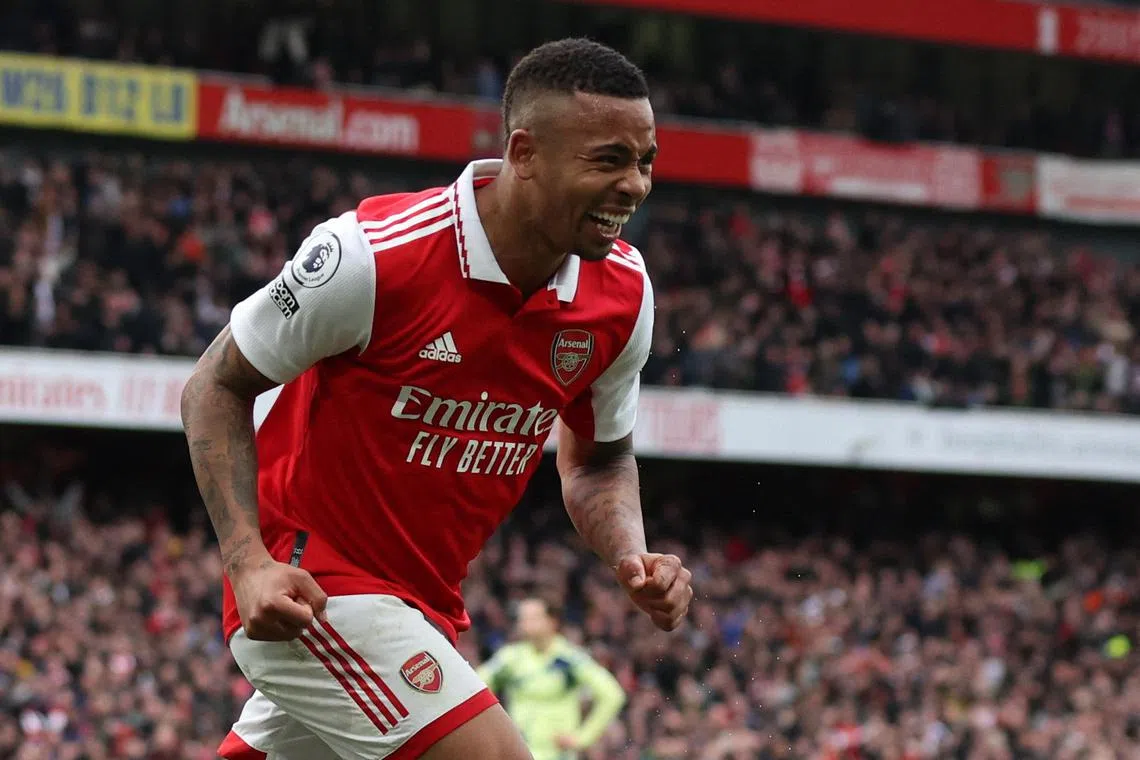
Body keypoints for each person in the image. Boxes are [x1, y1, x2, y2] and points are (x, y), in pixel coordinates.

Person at [180, 37, 694, 760]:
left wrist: (630, 555)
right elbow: (214, 385)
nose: (634, 185)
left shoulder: (623, 294)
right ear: (524, 153)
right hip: (309, 588)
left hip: (422, 607)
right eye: (608, 160)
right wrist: (247, 562)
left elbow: (599, 460)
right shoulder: (373, 256)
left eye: (645, 162)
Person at [478, 597, 626, 760]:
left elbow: (612, 694)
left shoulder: (569, 658)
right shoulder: (511, 658)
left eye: (533, 617)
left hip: (558, 755)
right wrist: (494, 730)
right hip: (520, 753)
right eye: (522, 618)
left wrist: (583, 738)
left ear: (552, 621)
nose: (525, 623)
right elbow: (476, 687)